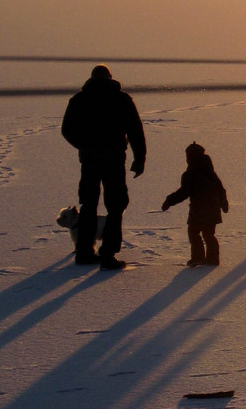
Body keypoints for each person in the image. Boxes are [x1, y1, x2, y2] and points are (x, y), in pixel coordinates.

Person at [61, 64, 146, 270]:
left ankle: (84, 252)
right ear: (110, 77)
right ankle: (108, 255)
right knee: (116, 206)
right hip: (114, 159)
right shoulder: (122, 99)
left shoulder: (79, 99)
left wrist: (83, 145)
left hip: (89, 160)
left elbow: (66, 130)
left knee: (88, 205)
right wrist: (139, 158)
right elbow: (135, 130)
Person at [162, 142, 230, 267]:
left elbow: (183, 192)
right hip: (213, 209)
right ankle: (212, 259)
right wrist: (223, 203)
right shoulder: (211, 173)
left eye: (188, 157)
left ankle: (198, 257)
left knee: (193, 232)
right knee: (209, 234)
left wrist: (169, 201)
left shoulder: (190, 174)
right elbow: (221, 189)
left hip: (198, 210)